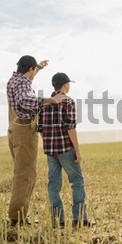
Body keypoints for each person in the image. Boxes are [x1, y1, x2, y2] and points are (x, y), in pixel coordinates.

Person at [6, 55, 67, 226]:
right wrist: (50, 100)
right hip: (25, 130)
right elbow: (24, 98)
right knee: (25, 174)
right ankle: (17, 218)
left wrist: (38, 67)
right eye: (34, 70)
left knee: (21, 171)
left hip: (14, 129)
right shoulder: (23, 84)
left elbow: (25, 81)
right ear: (29, 69)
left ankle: (18, 215)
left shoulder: (14, 80)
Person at [38, 72, 92, 229]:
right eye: (68, 84)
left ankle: (58, 221)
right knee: (77, 182)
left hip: (50, 151)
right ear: (65, 85)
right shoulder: (68, 102)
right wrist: (78, 151)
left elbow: (40, 129)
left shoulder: (43, 103)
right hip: (66, 149)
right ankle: (80, 219)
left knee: (53, 184)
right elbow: (71, 128)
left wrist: (49, 142)